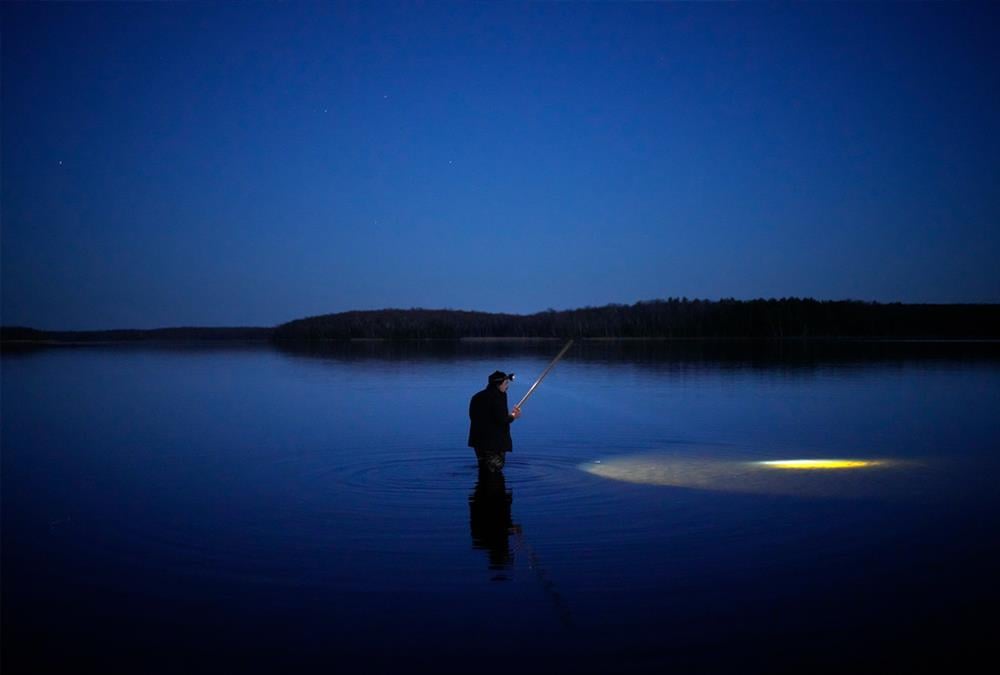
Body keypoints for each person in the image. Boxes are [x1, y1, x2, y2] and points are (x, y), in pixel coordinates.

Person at [468, 370, 521, 472]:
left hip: (478, 442)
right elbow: (502, 419)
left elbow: (472, 416)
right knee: (494, 470)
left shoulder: (477, 396)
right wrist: (514, 416)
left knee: (484, 469)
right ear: (498, 385)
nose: (507, 386)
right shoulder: (498, 397)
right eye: (505, 384)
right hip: (494, 443)